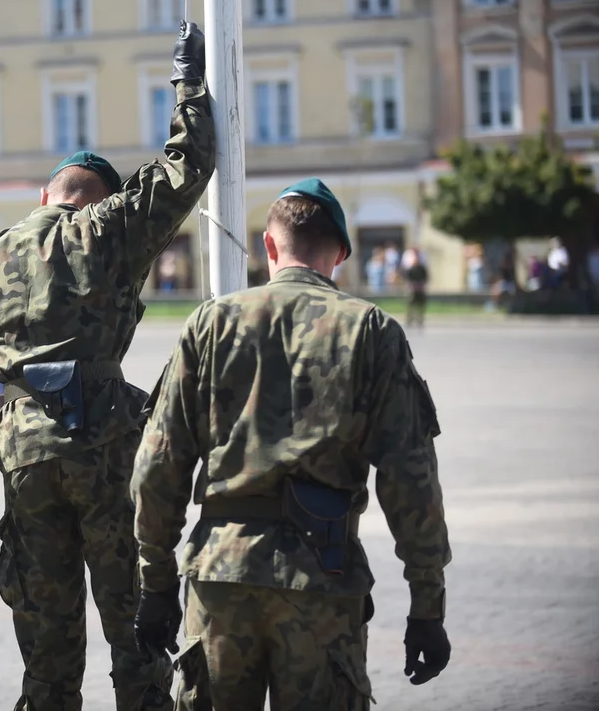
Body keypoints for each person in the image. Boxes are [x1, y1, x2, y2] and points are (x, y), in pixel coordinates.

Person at [0, 22, 212, 711]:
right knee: (133, 622)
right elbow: (188, 165)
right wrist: (188, 79)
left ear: (47, 196)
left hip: (25, 450)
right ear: (99, 196)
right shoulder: (111, 226)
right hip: (105, 445)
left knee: (47, 634)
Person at [130, 178, 452, 711]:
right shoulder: (370, 332)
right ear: (340, 256)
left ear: (269, 246)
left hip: (220, 580)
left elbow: (158, 466)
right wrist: (427, 606)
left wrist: (156, 583)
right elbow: (411, 480)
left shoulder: (210, 324)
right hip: (321, 582)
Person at [403, 246, 429, 328]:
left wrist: (421, 284)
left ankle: (420, 320)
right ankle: (409, 320)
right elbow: (407, 278)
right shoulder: (411, 269)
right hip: (412, 289)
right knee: (411, 305)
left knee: (421, 305)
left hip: (420, 288)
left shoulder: (422, 268)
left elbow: (426, 277)